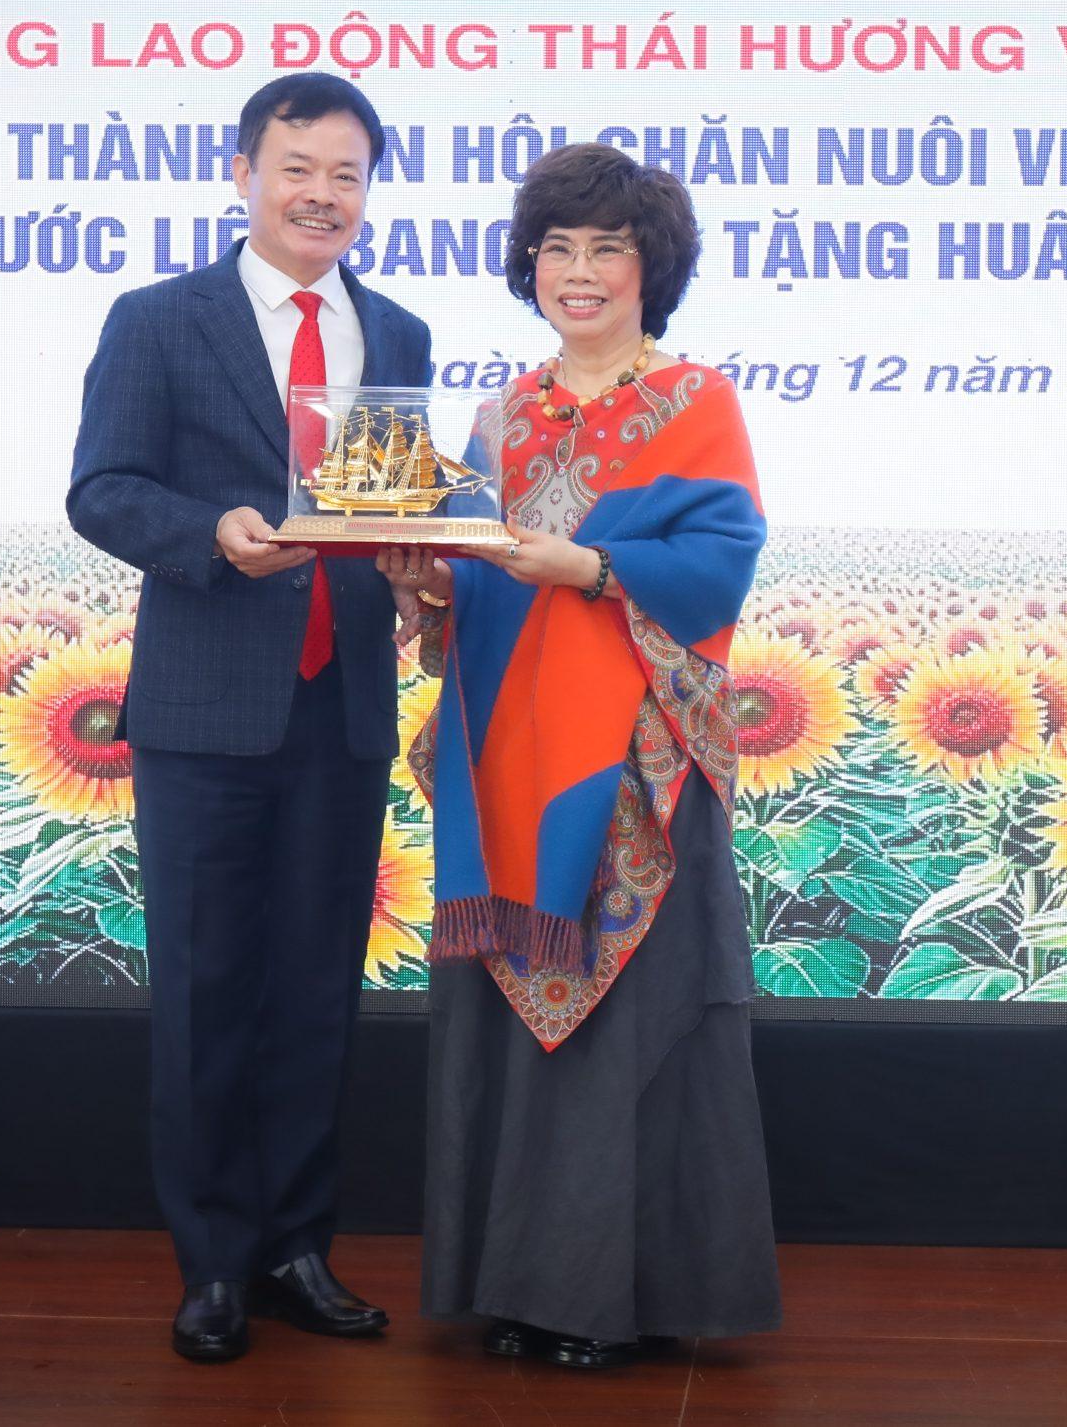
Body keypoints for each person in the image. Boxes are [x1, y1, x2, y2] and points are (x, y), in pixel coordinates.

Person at [379, 142, 781, 1370]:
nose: (580, 271)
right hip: (507, 758)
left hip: (633, 763)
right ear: (528, 267)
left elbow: (720, 560)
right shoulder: (499, 414)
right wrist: (420, 581)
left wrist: (594, 567)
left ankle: (610, 1299)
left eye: (608, 247)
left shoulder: (696, 401)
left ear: (652, 267)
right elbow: (472, 580)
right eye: (556, 247)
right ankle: (516, 1283)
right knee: (509, 1027)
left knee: (624, 1033)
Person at [67, 72, 431, 1363]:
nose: (321, 195)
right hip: (206, 710)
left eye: (346, 175)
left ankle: (296, 1249)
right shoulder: (158, 320)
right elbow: (101, 489)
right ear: (242, 174)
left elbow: (387, 507)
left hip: (342, 707)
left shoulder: (398, 331)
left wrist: (420, 560)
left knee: (317, 992)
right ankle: (215, 1263)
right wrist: (209, 531)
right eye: (298, 169)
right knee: (208, 991)